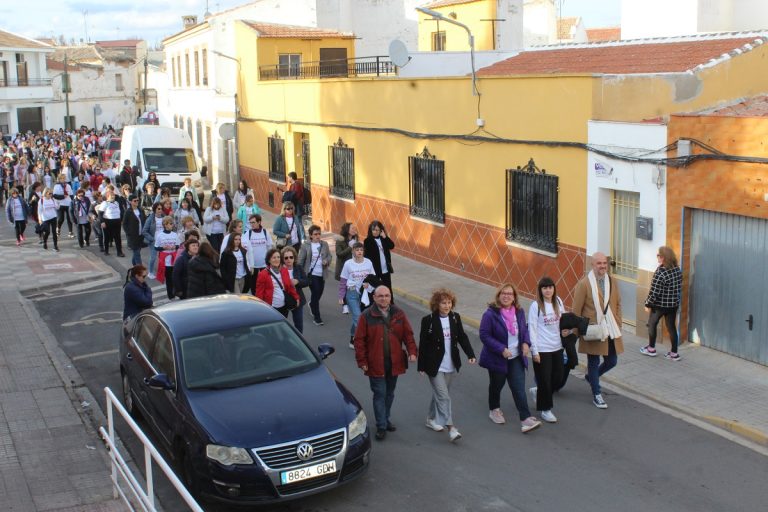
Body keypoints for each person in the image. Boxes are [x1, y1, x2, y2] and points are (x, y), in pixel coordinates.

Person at [354, 285, 418, 441]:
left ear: (390, 297)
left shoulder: (399, 314)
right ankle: (381, 426)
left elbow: (408, 335)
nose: (384, 298)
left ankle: (385, 418)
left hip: (394, 362)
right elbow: (359, 340)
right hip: (375, 363)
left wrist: (412, 352)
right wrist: (362, 361)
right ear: (374, 298)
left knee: (389, 393)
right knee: (380, 393)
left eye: (387, 295)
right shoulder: (366, 315)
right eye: (380, 296)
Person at [479, 283, 541, 433]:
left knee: (518, 387)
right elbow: (484, 335)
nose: (506, 296)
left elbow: (524, 330)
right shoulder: (490, 314)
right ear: (499, 296)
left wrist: (526, 343)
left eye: (510, 294)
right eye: (503, 293)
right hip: (498, 358)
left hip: (516, 357)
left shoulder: (519, 312)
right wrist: (501, 349)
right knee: (497, 385)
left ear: (514, 297)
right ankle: (494, 409)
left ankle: (525, 418)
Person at [418, 288, 476, 442]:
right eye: (443, 303)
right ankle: (451, 428)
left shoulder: (455, 318)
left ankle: (431, 419)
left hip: (450, 364)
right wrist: (421, 366)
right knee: (444, 396)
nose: (446, 306)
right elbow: (423, 344)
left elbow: (462, 337)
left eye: (449, 302)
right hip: (434, 365)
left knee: (440, 394)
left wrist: (470, 354)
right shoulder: (428, 320)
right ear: (436, 304)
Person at [572, 252, 624, 409]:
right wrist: (575, 333)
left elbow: (618, 303)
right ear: (592, 265)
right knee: (593, 362)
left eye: (604, 263)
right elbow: (576, 310)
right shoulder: (584, 284)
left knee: (612, 361)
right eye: (599, 263)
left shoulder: (612, 281)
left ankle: (591, 377)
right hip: (593, 330)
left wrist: (618, 321)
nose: (602, 266)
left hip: (610, 329)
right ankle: (597, 393)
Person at [528, 277, 567, 423]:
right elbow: (531, 328)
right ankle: (546, 409)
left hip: (557, 346)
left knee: (557, 377)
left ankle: (538, 392)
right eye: (545, 288)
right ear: (540, 290)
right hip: (542, 348)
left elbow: (563, 321)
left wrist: (566, 331)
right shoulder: (535, 306)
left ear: (554, 288)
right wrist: (534, 351)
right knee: (545, 379)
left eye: (550, 287)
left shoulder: (558, 301)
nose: (548, 290)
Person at [641, 246, 684, 361]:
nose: (657, 258)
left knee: (652, 324)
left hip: (659, 306)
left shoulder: (661, 273)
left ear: (663, 258)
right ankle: (674, 354)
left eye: (658, 256)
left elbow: (654, 292)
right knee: (671, 328)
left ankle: (651, 349)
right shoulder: (677, 270)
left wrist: (647, 304)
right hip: (672, 305)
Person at [339, 242, 377, 349]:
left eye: (361, 250)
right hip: (351, 293)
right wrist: (341, 296)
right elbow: (343, 281)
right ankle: (363, 340)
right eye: (357, 250)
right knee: (358, 317)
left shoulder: (368, 262)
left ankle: (353, 336)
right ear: (353, 251)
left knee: (360, 317)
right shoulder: (348, 264)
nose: (359, 252)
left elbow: (373, 277)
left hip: (365, 293)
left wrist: (369, 285)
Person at [298, 224, 331, 326]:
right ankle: (317, 318)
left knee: (318, 294)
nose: (318, 236)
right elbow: (300, 261)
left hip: (322, 274)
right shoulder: (305, 246)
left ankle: (312, 304)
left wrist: (326, 260)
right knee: (316, 294)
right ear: (311, 235)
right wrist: (300, 274)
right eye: (315, 234)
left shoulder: (324, 244)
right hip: (311, 274)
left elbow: (329, 256)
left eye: (319, 234)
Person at [255, 248, 300, 317]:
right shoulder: (263, 274)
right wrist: (261, 308)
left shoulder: (284, 270)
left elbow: (290, 286)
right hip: (271, 307)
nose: (277, 259)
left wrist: (296, 297)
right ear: (269, 260)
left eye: (278, 257)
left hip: (284, 306)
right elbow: (259, 293)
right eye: (274, 257)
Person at [281, 245, 308, 333]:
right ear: (283, 259)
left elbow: (307, 281)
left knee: (299, 324)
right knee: (282, 323)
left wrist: (298, 281)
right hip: (283, 300)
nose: (289, 259)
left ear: (294, 258)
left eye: (291, 257)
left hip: (298, 301)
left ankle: (299, 342)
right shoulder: (279, 270)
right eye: (286, 258)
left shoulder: (298, 267)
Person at [364, 220, 395, 294]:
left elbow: (392, 246)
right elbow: (367, 256)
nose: (375, 232)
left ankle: (390, 303)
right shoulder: (368, 241)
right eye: (373, 230)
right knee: (375, 288)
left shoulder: (383, 239)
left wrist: (385, 237)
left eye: (377, 230)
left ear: (381, 230)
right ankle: (376, 303)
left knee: (388, 288)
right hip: (375, 270)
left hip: (385, 269)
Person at [244, 214, 272, 294]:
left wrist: (270, 262)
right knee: (253, 285)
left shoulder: (265, 232)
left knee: (265, 283)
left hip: (264, 264)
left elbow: (269, 247)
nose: (251, 224)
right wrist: (249, 264)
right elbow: (245, 250)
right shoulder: (248, 234)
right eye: (250, 223)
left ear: (259, 222)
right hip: (253, 266)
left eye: (253, 222)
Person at [334, 222, 358, 314]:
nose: (354, 230)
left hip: (354, 267)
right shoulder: (340, 240)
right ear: (347, 230)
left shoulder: (355, 239)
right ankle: (345, 305)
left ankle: (352, 302)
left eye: (355, 228)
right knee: (344, 286)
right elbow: (339, 254)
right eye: (352, 228)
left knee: (352, 286)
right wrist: (349, 247)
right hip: (344, 268)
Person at [154, 216, 180, 299]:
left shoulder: (175, 234)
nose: (171, 225)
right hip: (165, 261)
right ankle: (170, 295)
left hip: (174, 259)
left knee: (175, 278)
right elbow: (156, 247)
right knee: (169, 279)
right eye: (170, 224)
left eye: (172, 223)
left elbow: (178, 245)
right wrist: (163, 248)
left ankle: (176, 292)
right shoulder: (160, 235)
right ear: (165, 225)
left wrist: (174, 247)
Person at [97, 189, 125, 257]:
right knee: (107, 237)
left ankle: (119, 252)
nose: (113, 196)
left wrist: (121, 220)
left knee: (117, 237)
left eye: (113, 195)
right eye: (111, 195)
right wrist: (102, 222)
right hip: (108, 222)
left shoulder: (116, 203)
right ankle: (106, 250)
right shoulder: (105, 203)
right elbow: (100, 214)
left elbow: (120, 212)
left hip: (117, 222)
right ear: (107, 196)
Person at [172, 236, 199, 300]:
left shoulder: (199, 257)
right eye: (193, 245)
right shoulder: (181, 259)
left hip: (197, 288)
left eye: (197, 245)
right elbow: (175, 275)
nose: (196, 247)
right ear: (188, 247)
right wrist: (179, 290)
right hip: (186, 290)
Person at [142, 203, 165, 278]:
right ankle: (150, 272)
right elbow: (144, 231)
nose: (160, 210)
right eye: (158, 209)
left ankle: (162, 272)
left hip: (163, 240)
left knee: (163, 257)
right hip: (154, 241)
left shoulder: (164, 217)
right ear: (155, 209)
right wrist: (152, 239)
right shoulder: (150, 219)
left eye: (161, 208)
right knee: (153, 257)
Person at [122, 194, 145, 265]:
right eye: (135, 201)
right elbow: (124, 224)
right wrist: (128, 233)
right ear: (130, 202)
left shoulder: (140, 210)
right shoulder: (128, 212)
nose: (137, 202)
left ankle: (134, 266)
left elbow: (144, 220)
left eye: (138, 200)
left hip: (140, 235)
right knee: (137, 253)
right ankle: (140, 268)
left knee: (137, 252)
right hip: (133, 236)